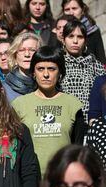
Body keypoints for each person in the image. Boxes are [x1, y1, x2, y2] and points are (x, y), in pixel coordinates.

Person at [12, 46, 84, 175]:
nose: (46, 74)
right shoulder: (19, 105)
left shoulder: (73, 105)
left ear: (60, 72)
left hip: (63, 178)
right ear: (33, 73)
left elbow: (77, 148)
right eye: (40, 69)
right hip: (31, 178)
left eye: (51, 69)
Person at [61, 20, 106, 123]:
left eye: (80, 37)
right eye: (71, 36)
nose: (75, 41)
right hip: (64, 123)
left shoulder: (96, 66)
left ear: (85, 41)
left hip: (91, 123)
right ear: (63, 40)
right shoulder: (57, 65)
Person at [61, 0, 106, 65]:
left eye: (74, 8)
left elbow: (101, 57)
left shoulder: (93, 30)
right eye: (67, 9)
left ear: (82, 10)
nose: (71, 13)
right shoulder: (59, 31)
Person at [3, 32, 43, 102]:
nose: (27, 54)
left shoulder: (49, 84)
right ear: (14, 55)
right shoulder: (4, 89)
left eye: (32, 50)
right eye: (21, 50)